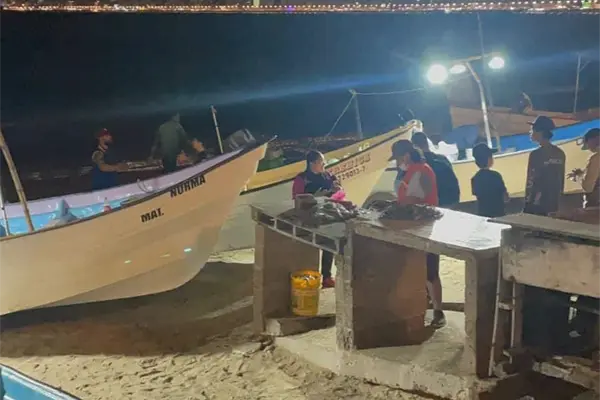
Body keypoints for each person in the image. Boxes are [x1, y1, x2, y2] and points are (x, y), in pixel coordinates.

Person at [390, 140, 446, 328]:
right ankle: (423, 304)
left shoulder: (421, 171)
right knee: (418, 269)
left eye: (398, 159)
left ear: (406, 156)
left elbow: (415, 198)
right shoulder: (412, 171)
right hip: (414, 225)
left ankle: (438, 311)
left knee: (430, 270)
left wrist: (399, 205)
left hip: (426, 225)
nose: (397, 163)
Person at [291, 151, 341, 288]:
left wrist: (335, 189)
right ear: (312, 163)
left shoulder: (328, 176)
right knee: (310, 246)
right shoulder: (301, 179)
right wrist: (314, 197)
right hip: (309, 216)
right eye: (321, 162)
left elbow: (339, 189)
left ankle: (327, 276)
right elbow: (296, 198)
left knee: (329, 244)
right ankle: (309, 276)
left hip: (327, 214)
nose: (324, 164)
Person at [524, 116, 566, 216]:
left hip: (537, 203)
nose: (530, 132)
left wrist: (528, 202)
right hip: (554, 203)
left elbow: (531, 180)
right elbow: (561, 179)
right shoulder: (560, 153)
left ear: (540, 132)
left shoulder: (536, 154)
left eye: (532, 130)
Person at [411, 131, 461, 208]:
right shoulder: (442, 159)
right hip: (450, 201)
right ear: (427, 143)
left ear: (414, 146)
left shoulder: (416, 164)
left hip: (430, 205)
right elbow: (453, 180)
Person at [471, 143, 509, 218]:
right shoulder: (496, 176)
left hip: (483, 214)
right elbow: (505, 197)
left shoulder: (475, 178)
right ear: (489, 159)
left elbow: (478, 196)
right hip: (499, 214)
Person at [567, 128, 600, 208]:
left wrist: (577, 177)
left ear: (595, 139)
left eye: (587, 142)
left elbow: (588, 187)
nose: (588, 148)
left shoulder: (595, 158)